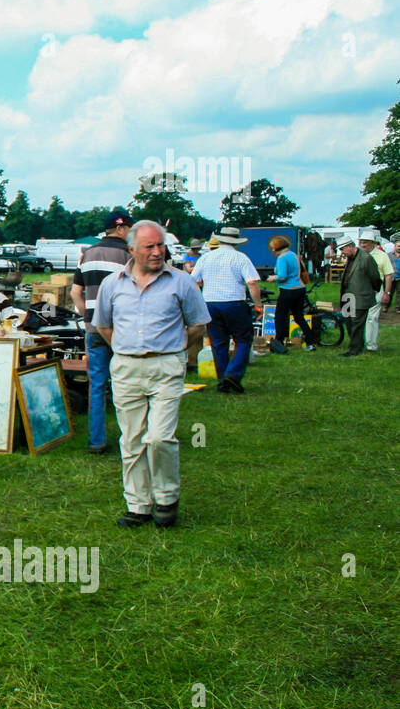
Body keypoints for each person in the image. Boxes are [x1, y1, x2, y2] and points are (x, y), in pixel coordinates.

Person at [92, 220, 210, 528]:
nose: (158, 252)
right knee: (131, 439)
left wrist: (178, 351)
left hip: (167, 366)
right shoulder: (112, 284)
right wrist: (124, 346)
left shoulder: (181, 282)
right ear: (132, 250)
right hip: (126, 368)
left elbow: (198, 324)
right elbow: (102, 325)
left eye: (161, 245)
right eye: (150, 246)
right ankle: (138, 505)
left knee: (159, 437)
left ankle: (167, 498)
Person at [70, 210, 132, 454]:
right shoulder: (129, 254)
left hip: (94, 329)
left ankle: (96, 441)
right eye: (129, 228)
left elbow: (76, 292)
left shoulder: (87, 254)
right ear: (120, 229)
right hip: (121, 329)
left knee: (96, 385)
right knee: (126, 383)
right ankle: (131, 437)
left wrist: (89, 315)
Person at [190, 226, 261, 393]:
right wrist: (258, 304)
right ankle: (233, 375)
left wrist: (199, 299)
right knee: (243, 339)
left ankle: (224, 379)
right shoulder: (240, 258)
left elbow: (193, 281)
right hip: (234, 302)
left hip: (210, 303)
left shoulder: (205, 258)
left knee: (219, 342)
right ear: (236, 242)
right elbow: (252, 282)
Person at [266, 235, 314, 352]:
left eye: (272, 248)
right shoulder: (293, 255)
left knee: (280, 317)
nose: (272, 250)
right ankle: (310, 341)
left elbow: (282, 276)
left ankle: (279, 342)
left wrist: (273, 277)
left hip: (288, 290)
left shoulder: (282, 258)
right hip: (300, 288)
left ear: (277, 248)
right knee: (298, 317)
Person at [337, 236, 381, 358]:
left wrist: (372, 290)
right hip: (347, 295)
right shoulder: (350, 258)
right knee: (349, 322)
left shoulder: (366, 259)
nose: (342, 252)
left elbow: (375, 277)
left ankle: (354, 350)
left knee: (357, 323)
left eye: (342, 249)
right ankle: (356, 345)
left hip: (360, 296)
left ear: (350, 246)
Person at [360, 232, 393, 351]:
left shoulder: (382, 256)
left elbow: (388, 275)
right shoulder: (358, 254)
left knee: (372, 318)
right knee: (359, 317)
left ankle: (371, 345)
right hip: (360, 290)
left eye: (365, 242)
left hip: (376, 290)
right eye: (361, 242)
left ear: (373, 243)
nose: (362, 245)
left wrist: (387, 293)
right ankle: (360, 343)